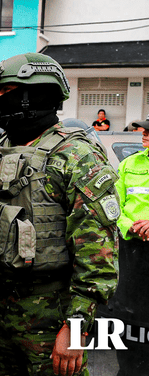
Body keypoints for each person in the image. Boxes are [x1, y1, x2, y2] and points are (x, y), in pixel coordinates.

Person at [0, 52, 119, 376]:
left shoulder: (76, 156)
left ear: (33, 96)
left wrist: (75, 328)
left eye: (5, 93)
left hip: (52, 317)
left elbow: (98, 256)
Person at [110, 115, 149, 376]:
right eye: (144, 130)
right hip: (130, 250)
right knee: (128, 317)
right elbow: (115, 205)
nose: (144, 134)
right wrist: (129, 225)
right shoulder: (129, 164)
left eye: (148, 131)